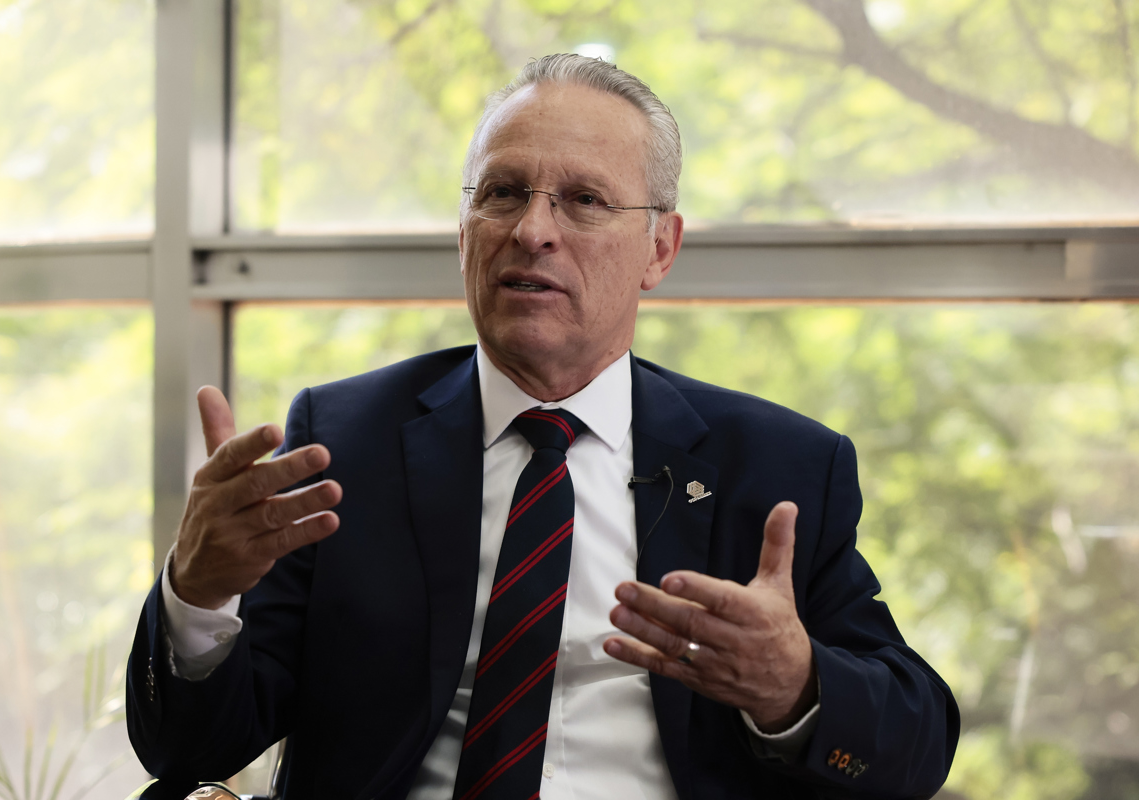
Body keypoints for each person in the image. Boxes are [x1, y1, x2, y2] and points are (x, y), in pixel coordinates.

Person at [127, 54, 959, 799]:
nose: (532, 230)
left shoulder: (777, 469)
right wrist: (198, 594)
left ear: (659, 249)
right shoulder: (344, 441)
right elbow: (191, 749)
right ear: (464, 234)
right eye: (502, 193)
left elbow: (916, 748)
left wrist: (795, 686)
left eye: (586, 201)